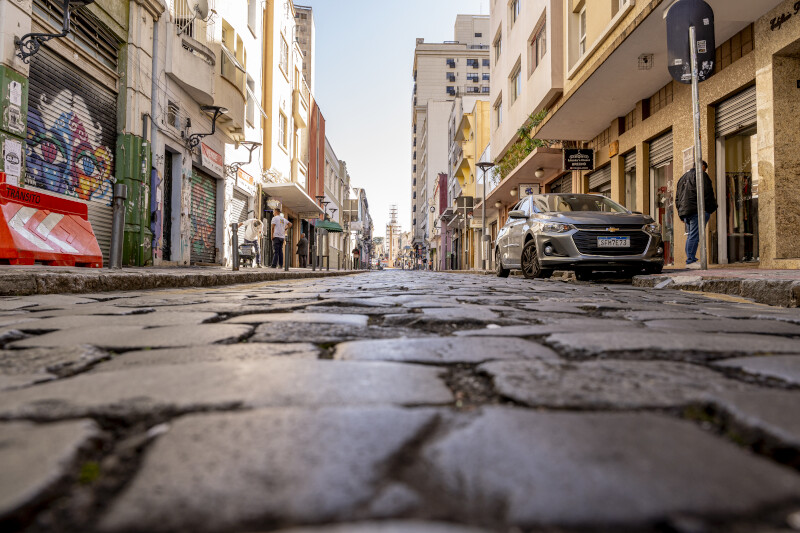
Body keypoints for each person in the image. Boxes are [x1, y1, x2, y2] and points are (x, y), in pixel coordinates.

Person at [675, 160, 717, 269]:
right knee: (694, 235)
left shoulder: (683, 177)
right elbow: (708, 193)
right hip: (697, 210)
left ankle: (690, 259)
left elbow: (677, 197)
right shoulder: (702, 175)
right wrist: (711, 208)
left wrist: (681, 213)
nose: (705, 170)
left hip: (686, 212)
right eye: (705, 169)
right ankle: (690, 261)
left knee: (691, 235)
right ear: (703, 166)